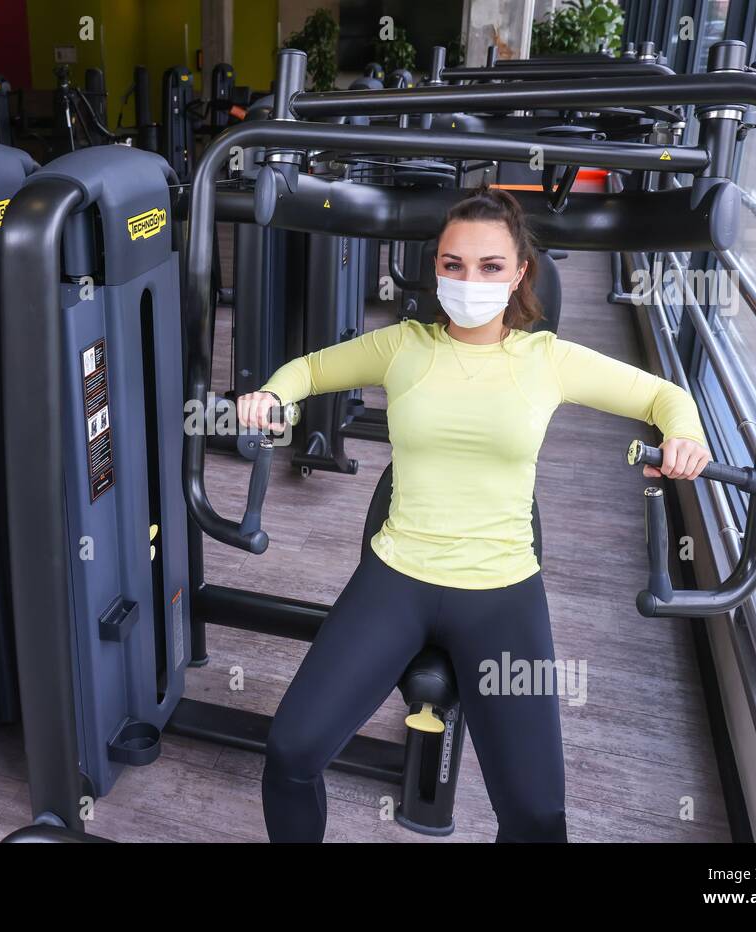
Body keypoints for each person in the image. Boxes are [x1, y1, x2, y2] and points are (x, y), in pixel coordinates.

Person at [238, 186, 711, 843]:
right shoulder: (402, 347)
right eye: (453, 264)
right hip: (397, 577)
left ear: (520, 272)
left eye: (490, 266)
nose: (469, 279)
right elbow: (310, 369)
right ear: (436, 268)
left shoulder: (547, 361)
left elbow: (665, 397)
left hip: (501, 590)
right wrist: (270, 395)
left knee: (538, 815)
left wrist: (686, 437)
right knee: (290, 753)